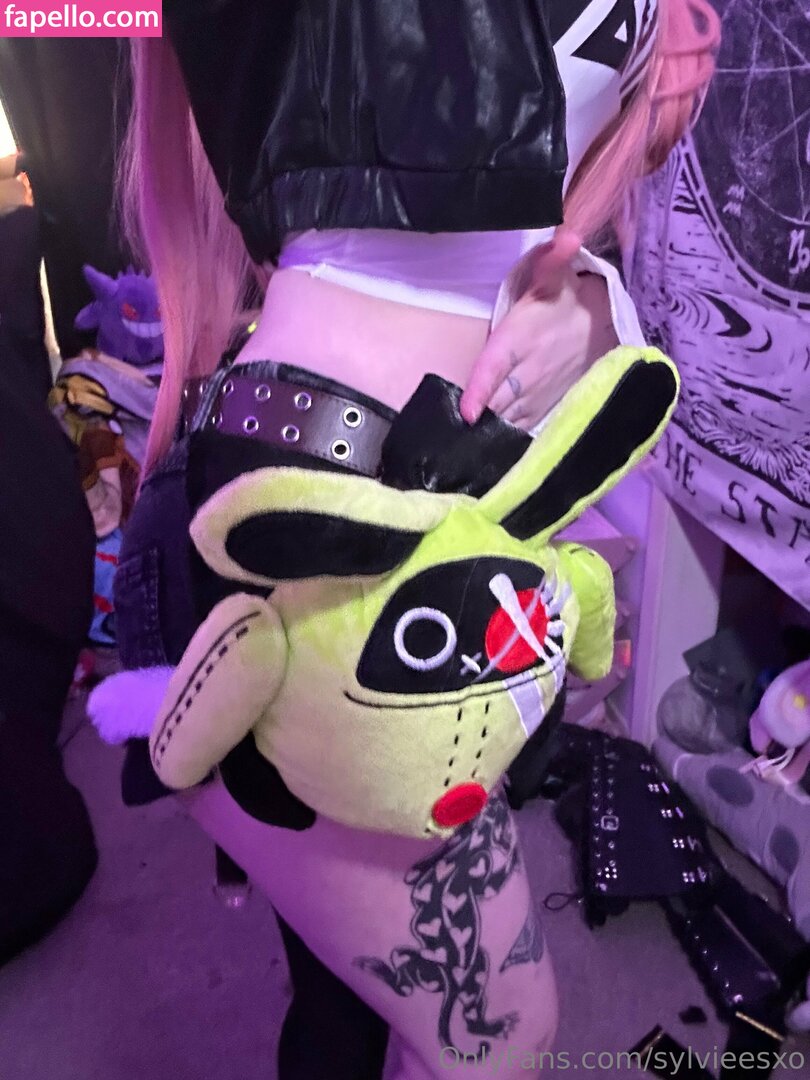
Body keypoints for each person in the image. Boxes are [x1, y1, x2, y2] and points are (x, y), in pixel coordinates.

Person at [100, 2, 718, 1077]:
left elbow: (544, 223)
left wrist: (589, 304)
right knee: (500, 1034)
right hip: (306, 561)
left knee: (350, 997)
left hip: (453, 539)